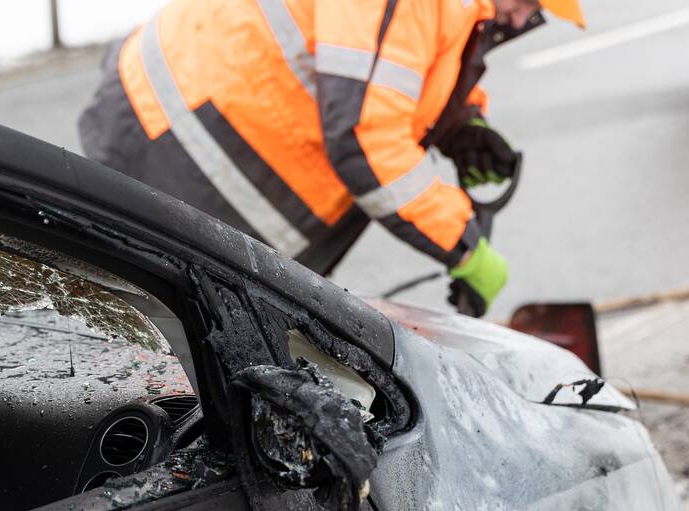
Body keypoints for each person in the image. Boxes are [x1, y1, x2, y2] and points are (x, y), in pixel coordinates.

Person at [79, 0, 585, 317]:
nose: (524, 18)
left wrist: (461, 125)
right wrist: (463, 246)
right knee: (149, 341)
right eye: (527, 2)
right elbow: (365, 139)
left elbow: (401, 67)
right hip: (175, 149)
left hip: (168, 126)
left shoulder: (452, 10)